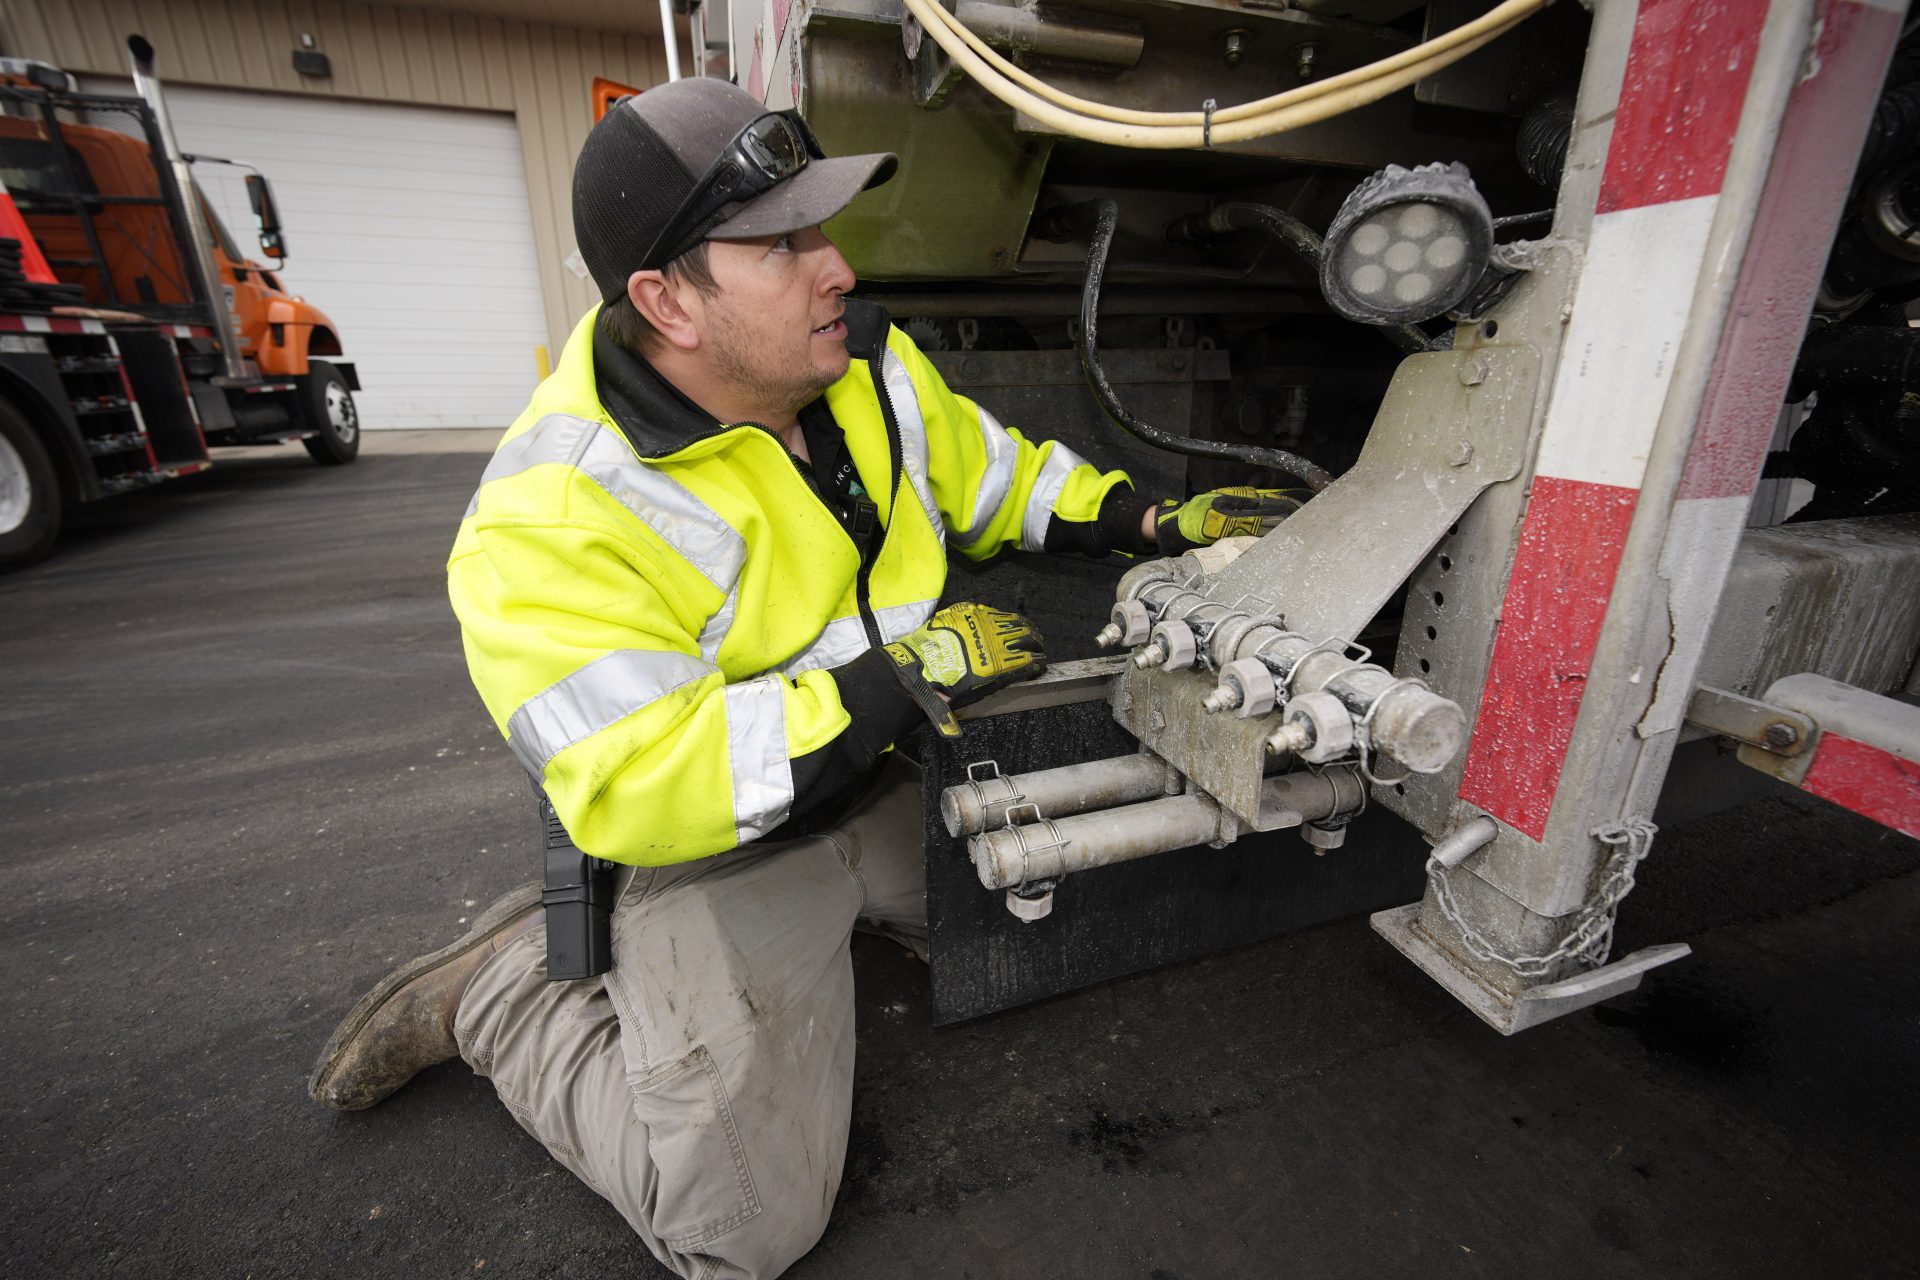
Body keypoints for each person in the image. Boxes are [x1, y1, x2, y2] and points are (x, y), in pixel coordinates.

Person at [307, 77, 1297, 1279]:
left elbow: (996, 479)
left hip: (879, 767)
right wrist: (897, 677)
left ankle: (854, 912)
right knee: (744, 1231)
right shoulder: (553, 516)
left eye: (821, 229)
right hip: (716, 842)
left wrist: (1151, 517)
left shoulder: (861, 368)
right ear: (665, 300)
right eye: (781, 246)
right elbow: (648, 777)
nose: (836, 269)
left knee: (1078, 911)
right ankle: (506, 995)